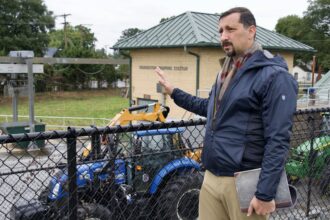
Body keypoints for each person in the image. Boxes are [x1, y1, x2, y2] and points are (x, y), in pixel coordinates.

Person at [155, 7, 298, 220]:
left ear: (251, 31)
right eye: (220, 31)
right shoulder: (227, 72)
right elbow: (210, 109)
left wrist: (265, 193)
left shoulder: (274, 76)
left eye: (230, 29)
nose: (224, 36)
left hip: (245, 182)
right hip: (211, 177)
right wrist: (174, 92)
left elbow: (278, 139)